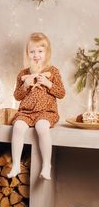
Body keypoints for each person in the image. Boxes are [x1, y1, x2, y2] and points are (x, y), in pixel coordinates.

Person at [7, 33, 65, 180]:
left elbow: (61, 93)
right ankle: (15, 165)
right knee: (18, 127)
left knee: (42, 127)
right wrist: (25, 85)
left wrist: (48, 83)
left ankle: (46, 165)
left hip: (46, 111)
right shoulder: (23, 73)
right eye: (32, 52)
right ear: (27, 54)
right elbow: (16, 96)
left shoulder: (53, 72)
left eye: (40, 51)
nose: (36, 55)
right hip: (26, 112)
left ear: (47, 53)